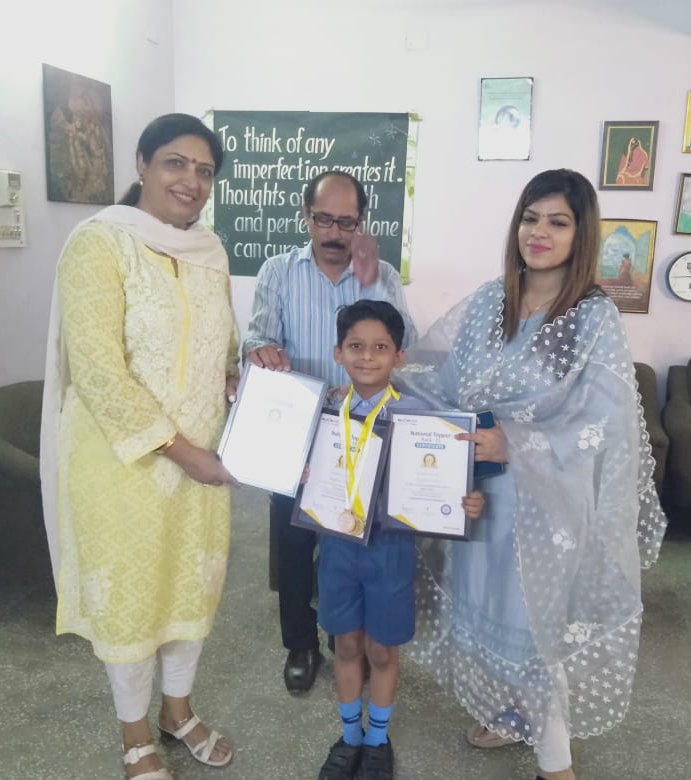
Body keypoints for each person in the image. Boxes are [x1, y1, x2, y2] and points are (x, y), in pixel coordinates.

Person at [392, 169, 667, 780]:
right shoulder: (492, 300)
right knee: (487, 605)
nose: (539, 232)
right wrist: (380, 393)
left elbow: (604, 424)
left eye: (557, 222)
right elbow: (446, 385)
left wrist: (513, 442)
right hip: (481, 492)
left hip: (546, 499)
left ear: (581, 234)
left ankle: (555, 760)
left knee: (534, 623)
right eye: (530, 217)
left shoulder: (592, 316)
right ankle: (514, 713)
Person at [40, 113, 239, 780]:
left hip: (201, 463)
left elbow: (222, 348)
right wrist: (183, 452)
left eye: (204, 171)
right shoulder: (99, 243)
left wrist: (240, 377)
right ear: (143, 164)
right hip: (121, 463)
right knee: (131, 598)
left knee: (190, 588)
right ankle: (135, 733)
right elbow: (98, 371)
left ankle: (177, 711)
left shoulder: (210, 253)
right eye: (176, 163)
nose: (191, 181)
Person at [244, 171, 417, 695]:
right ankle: (300, 643)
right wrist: (258, 350)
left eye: (347, 222)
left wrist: (373, 283)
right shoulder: (278, 271)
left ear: (361, 223)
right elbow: (256, 337)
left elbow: (405, 343)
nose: (335, 233)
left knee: (353, 540)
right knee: (294, 541)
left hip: (363, 433)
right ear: (306, 216)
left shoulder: (382, 275)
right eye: (324, 219)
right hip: (297, 431)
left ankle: (349, 640)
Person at [316, 300, 484, 780]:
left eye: (380, 347)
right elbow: (303, 472)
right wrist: (303, 475)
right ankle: (349, 736)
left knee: (382, 651)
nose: (367, 357)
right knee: (346, 646)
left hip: (390, 554)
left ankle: (377, 739)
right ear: (338, 352)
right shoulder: (326, 411)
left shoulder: (422, 418)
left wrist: (467, 499)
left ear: (399, 356)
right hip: (336, 549)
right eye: (355, 346)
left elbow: (451, 477)